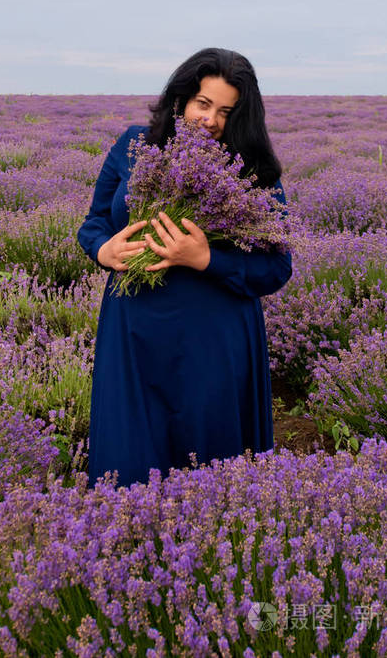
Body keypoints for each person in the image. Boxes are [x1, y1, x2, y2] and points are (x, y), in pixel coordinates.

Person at [77, 48, 292, 488]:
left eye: (227, 112)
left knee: (212, 472)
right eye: (203, 104)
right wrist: (104, 251)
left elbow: (276, 268)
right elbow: (95, 223)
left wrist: (205, 258)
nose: (211, 121)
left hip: (212, 341)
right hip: (133, 332)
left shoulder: (252, 171)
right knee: (130, 459)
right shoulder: (133, 146)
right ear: (180, 99)